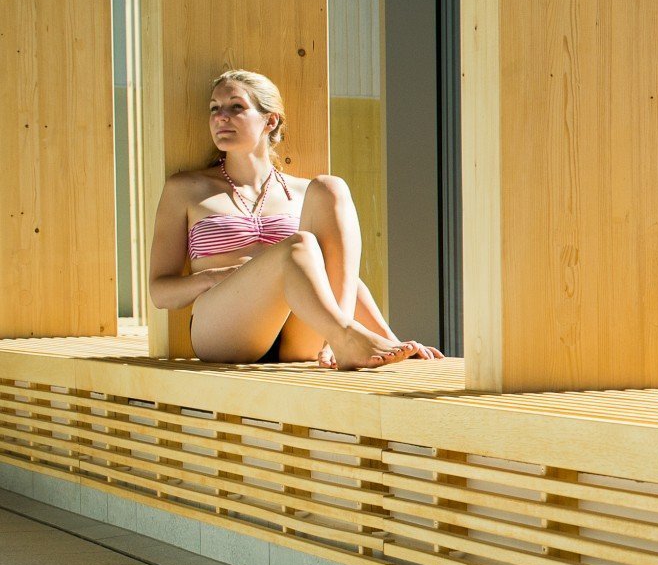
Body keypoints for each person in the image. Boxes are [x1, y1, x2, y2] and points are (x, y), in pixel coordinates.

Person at [147, 70, 440, 369]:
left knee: (330, 187)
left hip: (300, 334)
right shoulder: (185, 189)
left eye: (236, 107)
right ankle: (344, 337)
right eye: (214, 108)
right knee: (297, 245)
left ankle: (337, 341)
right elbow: (160, 291)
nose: (221, 117)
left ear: (270, 120)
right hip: (223, 328)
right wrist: (214, 277)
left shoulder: (304, 193)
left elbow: (339, 276)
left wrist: (390, 339)